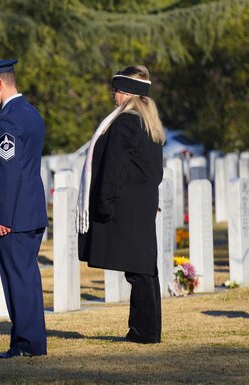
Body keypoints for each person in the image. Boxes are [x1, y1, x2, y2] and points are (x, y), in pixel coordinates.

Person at [77, 65, 165, 344]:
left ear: (126, 93)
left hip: (125, 207)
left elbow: (114, 169)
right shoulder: (146, 121)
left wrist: (103, 205)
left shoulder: (126, 122)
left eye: (115, 90)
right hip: (140, 205)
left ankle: (144, 331)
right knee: (144, 269)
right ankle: (146, 329)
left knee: (139, 272)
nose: (112, 96)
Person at [0, 59, 49, 358]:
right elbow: (18, 155)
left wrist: (4, 217)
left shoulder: (10, 120)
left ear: (0, 84)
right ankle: (29, 342)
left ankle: (26, 345)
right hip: (30, 211)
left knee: (18, 280)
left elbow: (10, 171)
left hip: (14, 216)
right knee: (25, 278)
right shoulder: (28, 113)